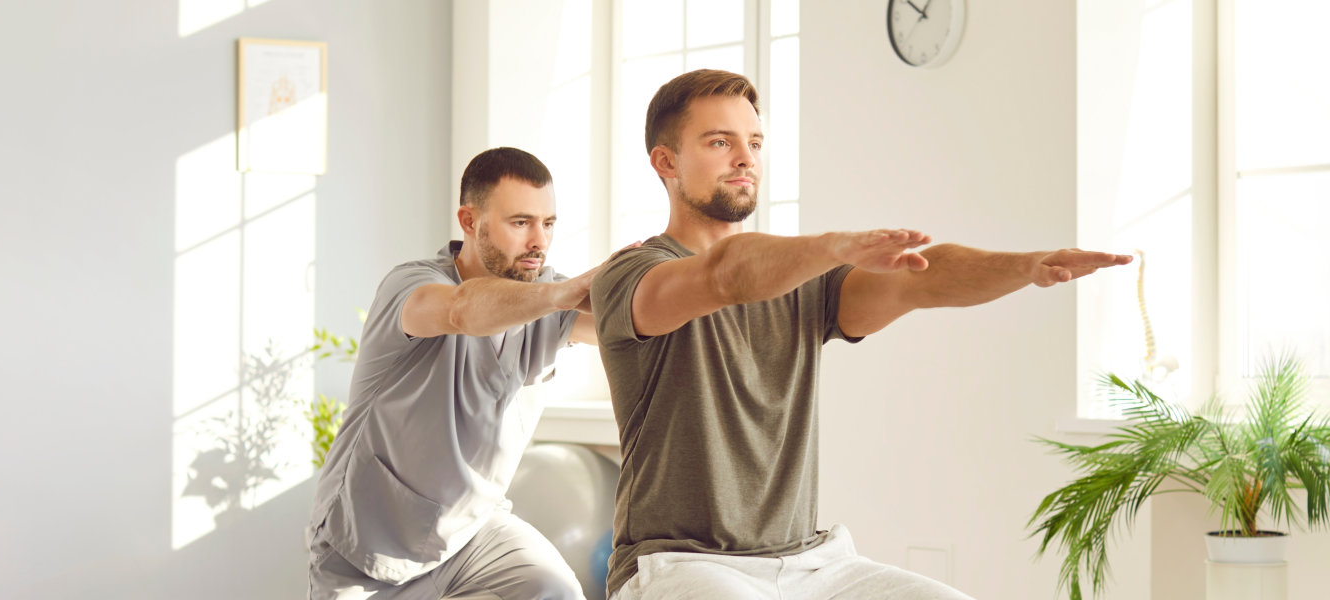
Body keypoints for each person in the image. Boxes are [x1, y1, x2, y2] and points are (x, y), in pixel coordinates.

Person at [592, 69, 1135, 599]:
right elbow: (725, 274)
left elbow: (918, 279)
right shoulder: (632, 276)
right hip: (679, 566)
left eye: (754, 142)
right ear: (666, 161)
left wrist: (1028, 265)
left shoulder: (805, 285)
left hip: (810, 563)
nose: (745, 158)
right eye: (719, 141)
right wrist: (832, 247)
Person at [307, 147, 610, 600]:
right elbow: (462, 311)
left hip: (472, 532)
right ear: (469, 222)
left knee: (554, 589)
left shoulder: (545, 297)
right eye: (520, 222)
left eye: (547, 224)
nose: (539, 242)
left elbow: (627, 321)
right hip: (367, 543)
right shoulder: (411, 286)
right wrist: (561, 294)